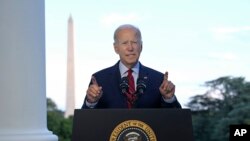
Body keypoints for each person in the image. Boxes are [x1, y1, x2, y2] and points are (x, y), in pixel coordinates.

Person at [82, 24, 181, 109]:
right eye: (125, 43)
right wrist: (91, 102)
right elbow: (86, 122)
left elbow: (175, 121)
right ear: (116, 48)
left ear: (141, 46)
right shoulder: (100, 79)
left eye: (134, 42)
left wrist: (169, 99)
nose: (130, 48)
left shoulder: (158, 79)